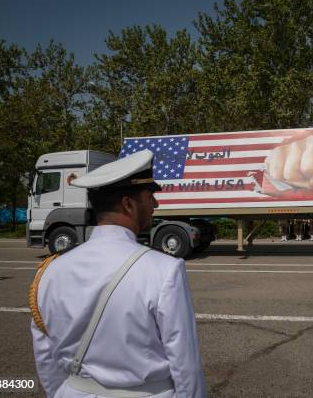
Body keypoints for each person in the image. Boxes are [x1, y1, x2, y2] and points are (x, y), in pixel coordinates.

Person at [29, 150, 206, 398]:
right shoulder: (165, 269)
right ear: (128, 204)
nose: (155, 204)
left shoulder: (49, 272)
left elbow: (45, 354)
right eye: (150, 195)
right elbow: (185, 363)